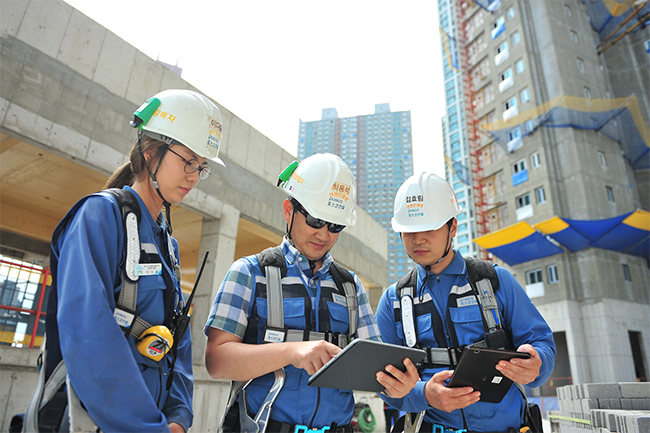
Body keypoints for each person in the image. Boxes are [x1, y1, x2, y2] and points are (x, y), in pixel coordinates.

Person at [34, 89, 225, 433]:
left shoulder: (167, 242)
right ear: (151, 151)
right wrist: (147, 427)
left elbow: (176, 339)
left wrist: (179, 418)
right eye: (188, 161)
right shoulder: (100, 216)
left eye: (202, 166)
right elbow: (89, 330)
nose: (195, 176)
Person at [204, 153, 419, 432]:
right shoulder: (249, 272)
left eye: (335, 226)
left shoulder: (351, 287)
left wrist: (397, 386)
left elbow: (374, 371)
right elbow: (217, 361)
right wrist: (292, 352)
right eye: (316, 220)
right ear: (288, 211)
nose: (324, 234)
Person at [375, 172, 556, 432]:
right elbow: (385, 384)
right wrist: (425, 394)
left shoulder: (495, 281)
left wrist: (538, 361)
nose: (418, 239)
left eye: (430, 227)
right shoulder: (393, 301)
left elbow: (542, 343)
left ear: (453, 227)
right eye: (409, 230)